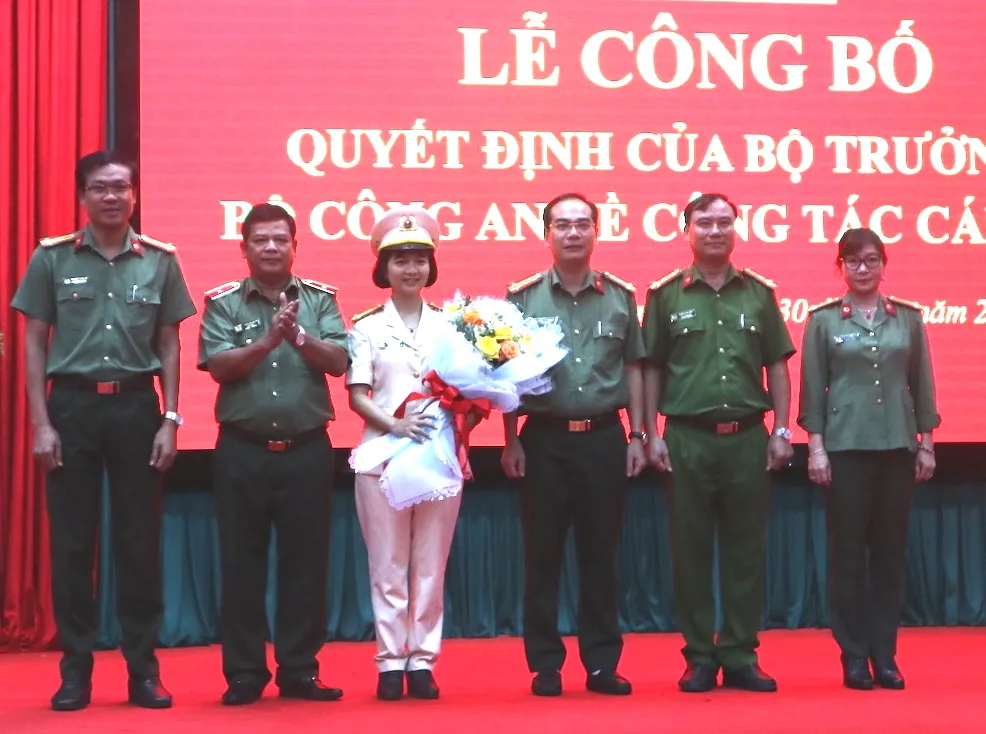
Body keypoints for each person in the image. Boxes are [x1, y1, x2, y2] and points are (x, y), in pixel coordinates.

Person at [10, 150, 196, 711]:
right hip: (71, 409)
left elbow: (169, 345)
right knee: (72, 545)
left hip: (137, 409)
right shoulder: (51, 257)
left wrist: (170, 419)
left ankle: (143, 671)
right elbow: (33, 342)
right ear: (83, 196)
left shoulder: (160, 260)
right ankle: (75, 673)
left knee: (139, 545)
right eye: (100, 188)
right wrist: (41, 423)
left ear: (134, 194)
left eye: (120, 187)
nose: (111, 196)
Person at [641, 192, 795, 694]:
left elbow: (777, 366)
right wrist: (650, 434)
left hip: (748, 438)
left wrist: (782, 429)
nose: (715, 231)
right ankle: (699, 657)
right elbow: (651, 369)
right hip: (687, 439)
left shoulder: (759, 294)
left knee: (745, 551)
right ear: (686, 230)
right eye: (704, 223)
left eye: (724, 222)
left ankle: (740, 653)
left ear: (735, 229)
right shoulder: (665, 295)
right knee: (690, 553)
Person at [197, 203, 350, 706]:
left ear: (294, 246)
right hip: (243, 451)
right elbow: (219, 366)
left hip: (307, 450)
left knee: (306, 565)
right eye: (260, 240)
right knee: (240, 565)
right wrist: (268, 341)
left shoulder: (320, 300)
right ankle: (244, 672)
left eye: (280, 239)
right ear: (243, 248)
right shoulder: (223, 303)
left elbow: (339, 360)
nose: (270, 247)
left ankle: (300, 670)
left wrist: (298, 336)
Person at [501, 192, 647, 698]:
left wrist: (639, 434)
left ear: (595, 232)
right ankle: (545, 664)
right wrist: (509, 440)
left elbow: (634, 368)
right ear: (547, 234)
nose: (573, 233)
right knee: (542, 557)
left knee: (600, 556)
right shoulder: (522, 299)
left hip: (604, 439)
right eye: (562, 225)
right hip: (542, 442)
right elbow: (505, 373)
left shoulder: (620, 296)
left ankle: (602, 664)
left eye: (582, 224)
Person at [798, 227, 939, 691]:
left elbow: (922, 383)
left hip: (897, 448)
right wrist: (816, 448)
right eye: (853, 261)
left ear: (883, 265)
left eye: (872, 260)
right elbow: (812, 392)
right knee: (847, 557)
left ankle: (886, 655)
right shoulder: (823, 320)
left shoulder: (907, 318)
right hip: (845, 451)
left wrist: (926, 442)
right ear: (840, 267)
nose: (863, 269)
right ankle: (854, 654)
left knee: (890, 556)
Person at [346, 206, 472, 701]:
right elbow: (358, 395)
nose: (411, 268)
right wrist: (395, 424)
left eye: (420, 259)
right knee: (387, 564)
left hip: (438, 459)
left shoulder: (453, 325)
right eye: (400, 260)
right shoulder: (366, 327)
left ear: (430, 266)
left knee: (430, 566)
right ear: (384, 268)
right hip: (381, 459)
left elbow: (470, 392)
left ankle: (422, 660)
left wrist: (467, 422)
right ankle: (389, 661)